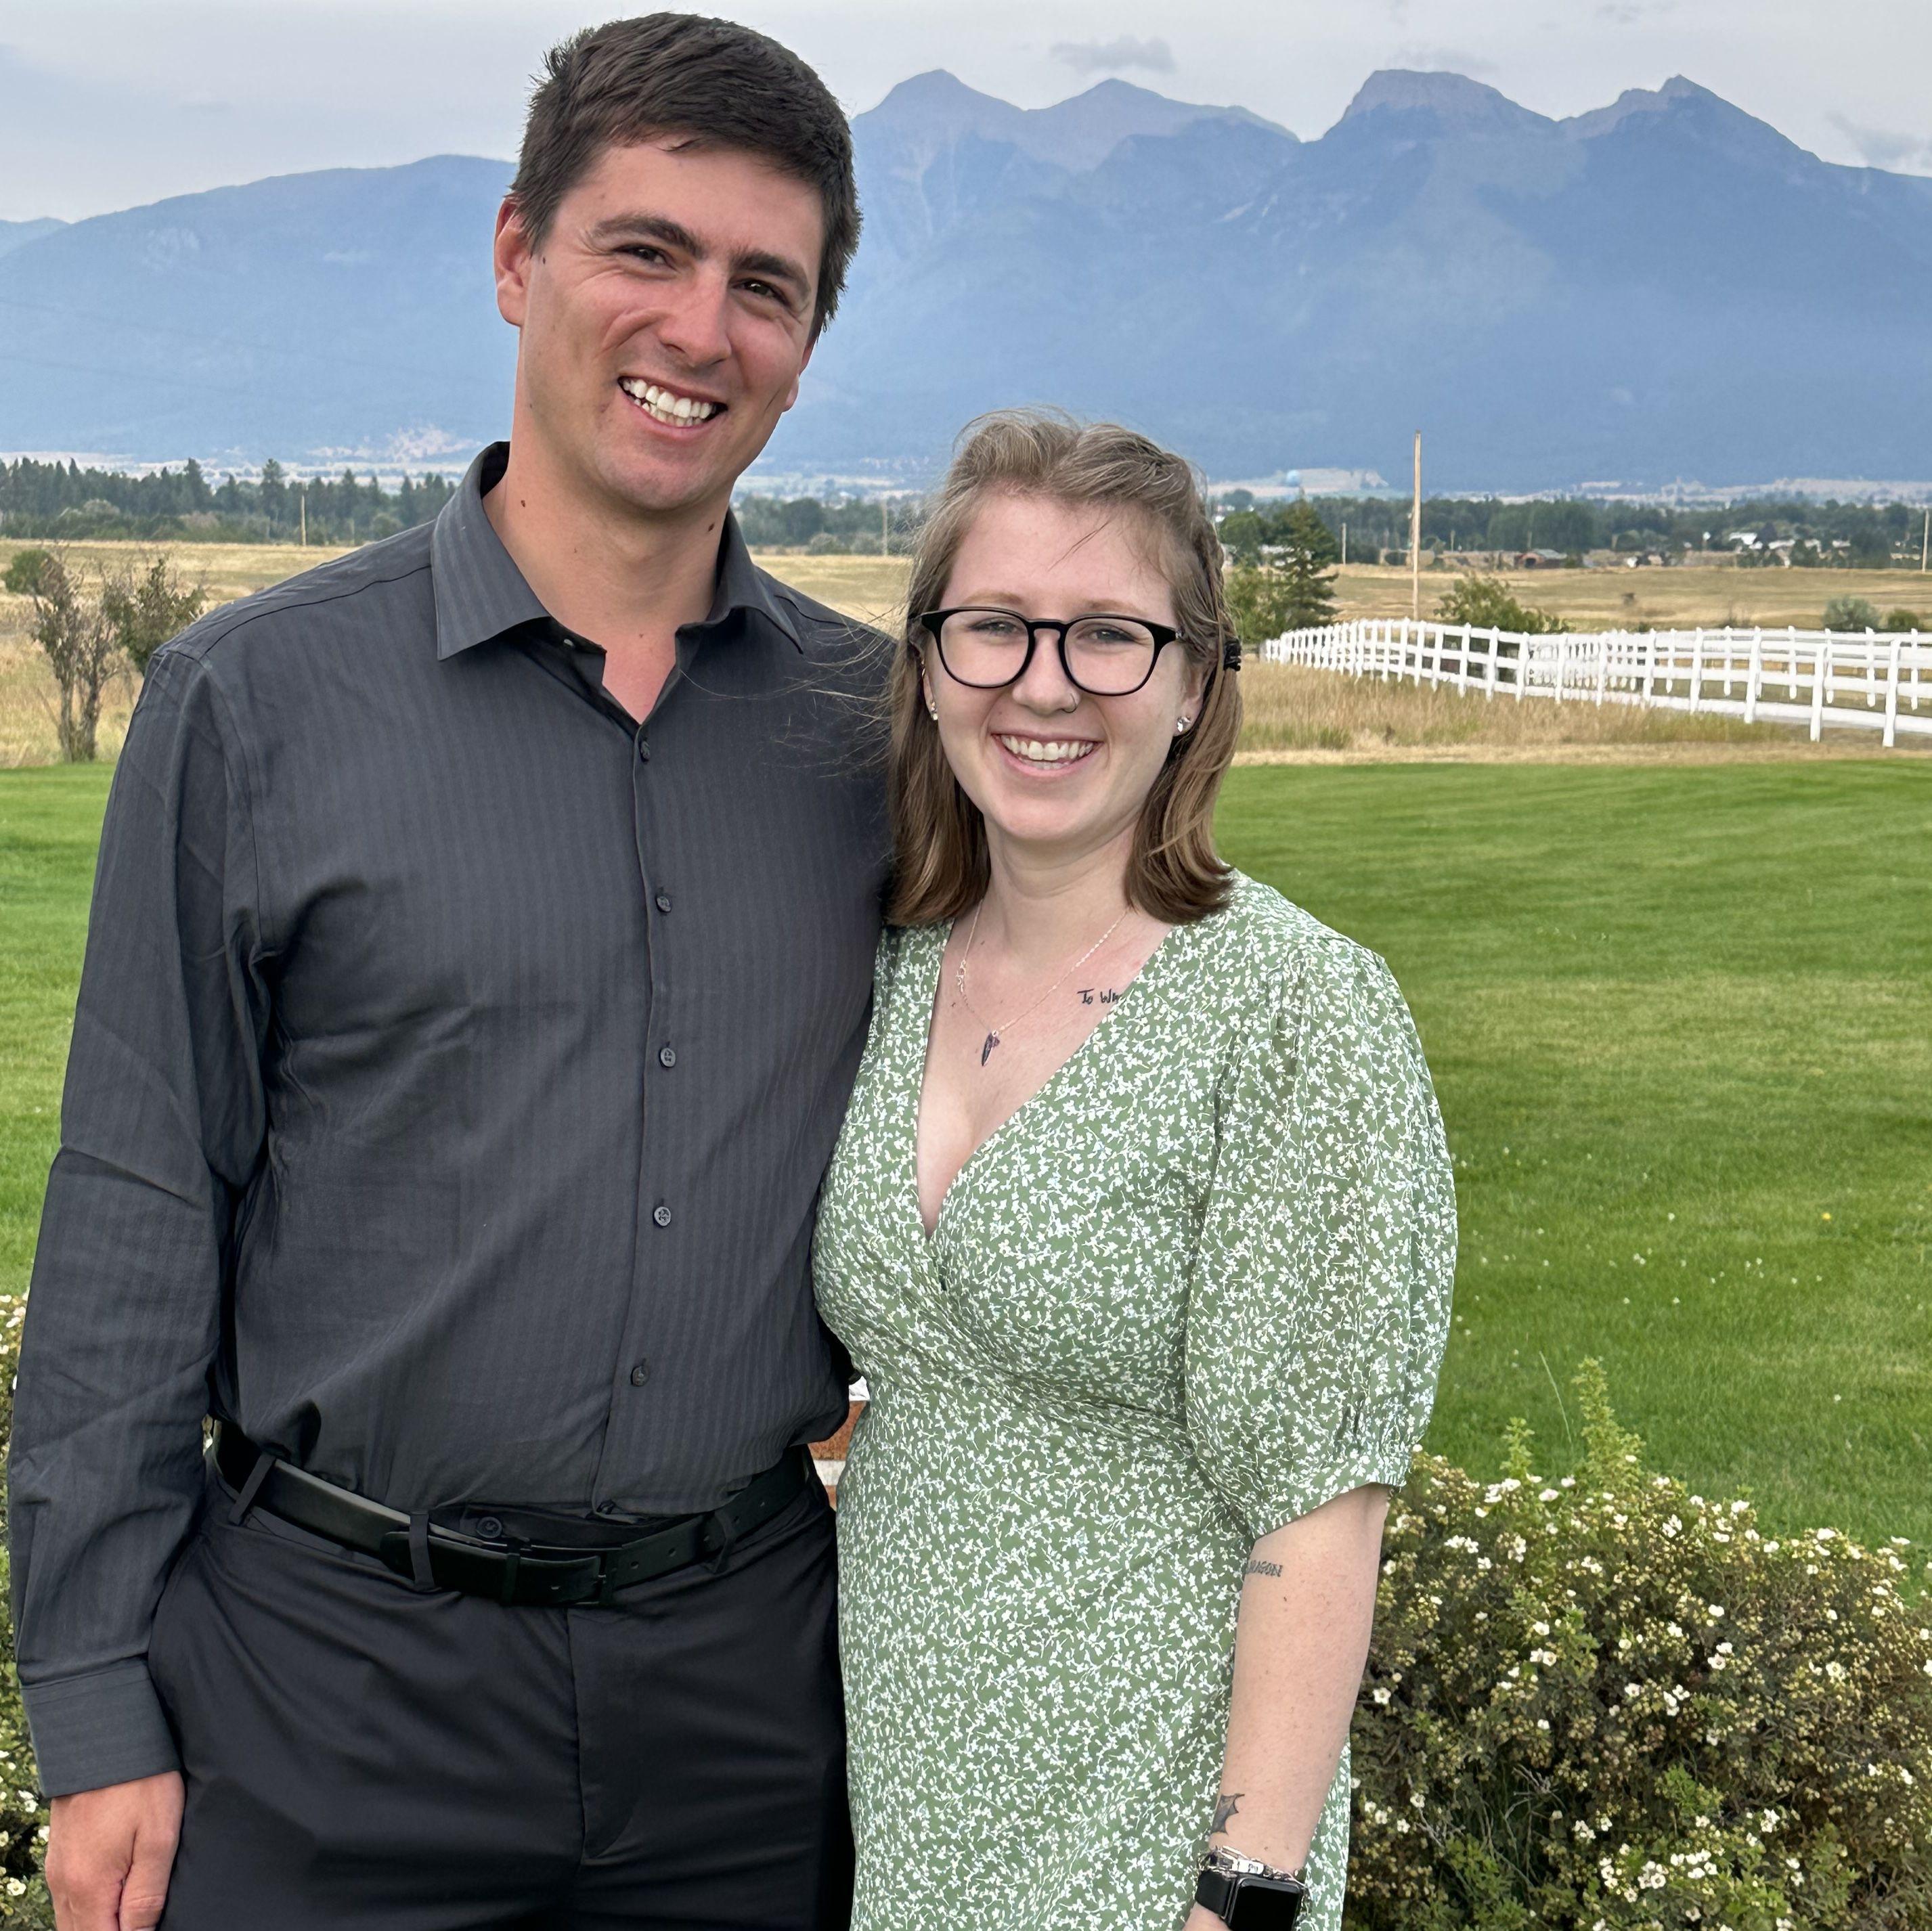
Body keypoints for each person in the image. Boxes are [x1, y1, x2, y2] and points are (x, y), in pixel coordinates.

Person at [10, 16, 883, 1929]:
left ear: (808, 339)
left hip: (748, 1708)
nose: (699, 329)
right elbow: (138, 1207)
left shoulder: (877, 735)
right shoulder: (251, 701)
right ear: (515, 255)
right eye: (643, 250)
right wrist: (90, 1700)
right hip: (326, 1696)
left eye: (764, 285)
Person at [812, 412, 1457, 1931]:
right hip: (913, 1789)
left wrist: (1242, 1891)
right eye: (993, 625)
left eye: (1108, 633)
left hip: (1154, 1817)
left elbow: (1320, 1500)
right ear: (928, 665)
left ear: (1192, 683)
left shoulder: (1290, 1011)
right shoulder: (884, 970)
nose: (1042, 684)